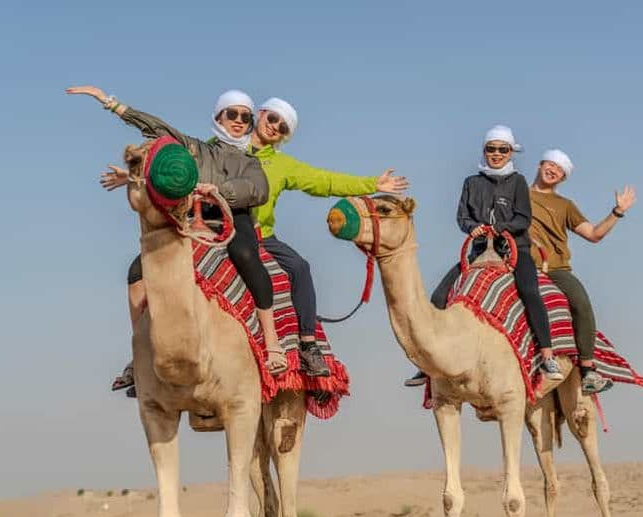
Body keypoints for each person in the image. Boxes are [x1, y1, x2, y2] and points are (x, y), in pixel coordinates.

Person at [66, 86, 289, 386]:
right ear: (218, 117)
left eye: (246, 118)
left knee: (246, 255)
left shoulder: (250, 162)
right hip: (191, 219)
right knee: (137, 273)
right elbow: (157, 129)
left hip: (232, 218)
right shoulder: (194, 149)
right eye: (232, 114)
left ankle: (272, 341)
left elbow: (257, 190)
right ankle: (140, 352)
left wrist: (220, 190)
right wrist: (112, 104)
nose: (238, 121)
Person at [246, 97, 409, 376]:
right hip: (216, 228)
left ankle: (308, 345)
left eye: (283, 127)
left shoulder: (281, 165)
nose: (275, 127)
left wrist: (372, 185)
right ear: (260, 114)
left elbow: (325, 181)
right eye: (272, 119)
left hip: (262, 236)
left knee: (300, 268)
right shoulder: (223, 149)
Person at [404, 125, 562, 387]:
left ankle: (547, 355)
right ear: (484, 151)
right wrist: (472, 228)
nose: (496, 154)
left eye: (503, 149)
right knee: (439, 295)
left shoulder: (518, 182)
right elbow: (461, 216)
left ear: (511, 153)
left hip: (514, 249)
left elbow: (523, 218)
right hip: (478, 251)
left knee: (530, 291)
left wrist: (500, 228)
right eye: (492, 149)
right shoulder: (472, 183)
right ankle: (428, 364)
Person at [529, 149, 636, 394]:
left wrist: (617, 212)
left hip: (555, 268)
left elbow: (594, 234)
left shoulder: (565, 205)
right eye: (551, 164)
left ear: (562, 178)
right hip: (521, 264)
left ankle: (588, 370)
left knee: (581, 304)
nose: (553, 170)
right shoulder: (518, 193)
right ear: (540, 164)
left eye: (559, 170)